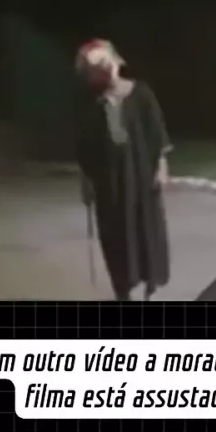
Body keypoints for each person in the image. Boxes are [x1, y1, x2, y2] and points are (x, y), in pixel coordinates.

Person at [75, 39, 172, 301]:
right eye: (97, 69)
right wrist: (86, 182)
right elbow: (84, 147)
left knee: (147, 228)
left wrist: (161, 167)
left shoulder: (140, 93)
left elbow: (157, 134)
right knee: (114, 232)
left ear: (117, 62)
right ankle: (123, 290)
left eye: (107, 64)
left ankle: (151, 285)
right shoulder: (91, 104)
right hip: (108, 178)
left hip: (141, 170)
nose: (106, 71)